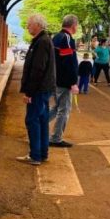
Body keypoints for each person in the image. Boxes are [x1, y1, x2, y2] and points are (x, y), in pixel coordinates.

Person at [17, 14, 55, 166]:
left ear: (38, 25)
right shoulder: (42, 41)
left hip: (39, 90)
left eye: (29, 24)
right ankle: (42, 153)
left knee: (32, 120)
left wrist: (29, 92)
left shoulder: (42, 42)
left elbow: (37, 69)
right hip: (43, 89)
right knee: (42, 120)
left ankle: (35, 155)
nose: (27, 27)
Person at [48, 15, 79, 148]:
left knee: (57, 107)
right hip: (63, 81)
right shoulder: (66, 38)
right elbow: (68, 62)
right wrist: (72, 82)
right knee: (64, 110)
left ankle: (39, 125)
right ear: (73, 25)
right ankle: (56, 138)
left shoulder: (56, 37)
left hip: (56, 79)